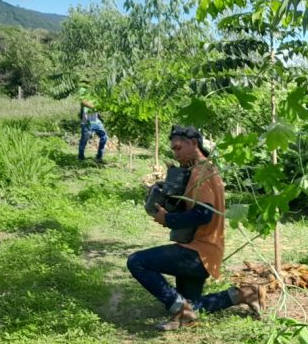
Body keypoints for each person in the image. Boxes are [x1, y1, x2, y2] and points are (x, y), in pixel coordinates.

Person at [127, 125, 265, 331]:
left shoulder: (202, 172)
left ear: (193, 143)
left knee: (137, 261)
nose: (175, 153)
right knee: (192, 305)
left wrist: (168, 219)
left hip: (198, 252)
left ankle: (180, 311)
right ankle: (243, 294)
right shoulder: (202, 170)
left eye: (178, 148)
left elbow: (204, 214)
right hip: (207, 252)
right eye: (173, 150)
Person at [78, 97, 108, 162]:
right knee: (84, 140)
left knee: (104, 137)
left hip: (96, 121)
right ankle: (81, 157)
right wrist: (96, 107)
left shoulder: (97, 93)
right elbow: (83, 102)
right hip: (87, 121)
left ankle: (99, 156)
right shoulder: (84, 89)